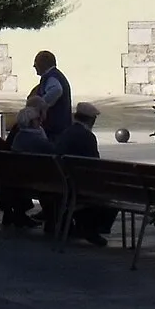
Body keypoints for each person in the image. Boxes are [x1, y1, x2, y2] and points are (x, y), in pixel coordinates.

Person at [55, 102, 115, 247]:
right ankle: (93, 228)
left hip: (61, 181)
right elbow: (95, 163)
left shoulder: (66, 133)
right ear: (91, 120)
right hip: (78, 184)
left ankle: (80, 224)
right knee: (110, 193)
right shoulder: (87, 136)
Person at [0, 105, 55, 227]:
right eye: (37, 119)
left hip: (17, 179)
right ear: (31, 122)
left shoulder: (19, 137)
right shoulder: (37, 140)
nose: (40, 121)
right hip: (34, 180)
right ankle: (53, 219)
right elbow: (55, 152)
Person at [28, 49, 73, 140]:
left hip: (55, 128)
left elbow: (56, 90)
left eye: (36, 63)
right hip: (58, 127)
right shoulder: (54, 76)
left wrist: (41, 105)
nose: (34, 66)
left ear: (44, 64)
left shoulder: (52, 77)